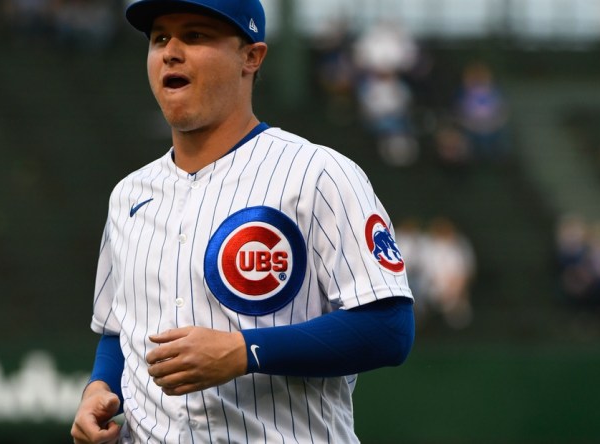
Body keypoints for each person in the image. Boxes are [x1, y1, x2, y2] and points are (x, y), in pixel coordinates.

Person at [70, 1, 415, 443]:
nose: (171, 52)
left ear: (251, 57)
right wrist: (99, 388)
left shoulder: (317, 173)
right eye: (159, 39)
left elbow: (388, 329)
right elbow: (120, 332)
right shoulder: (129, 196)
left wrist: (244, 351)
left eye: (194, 36)